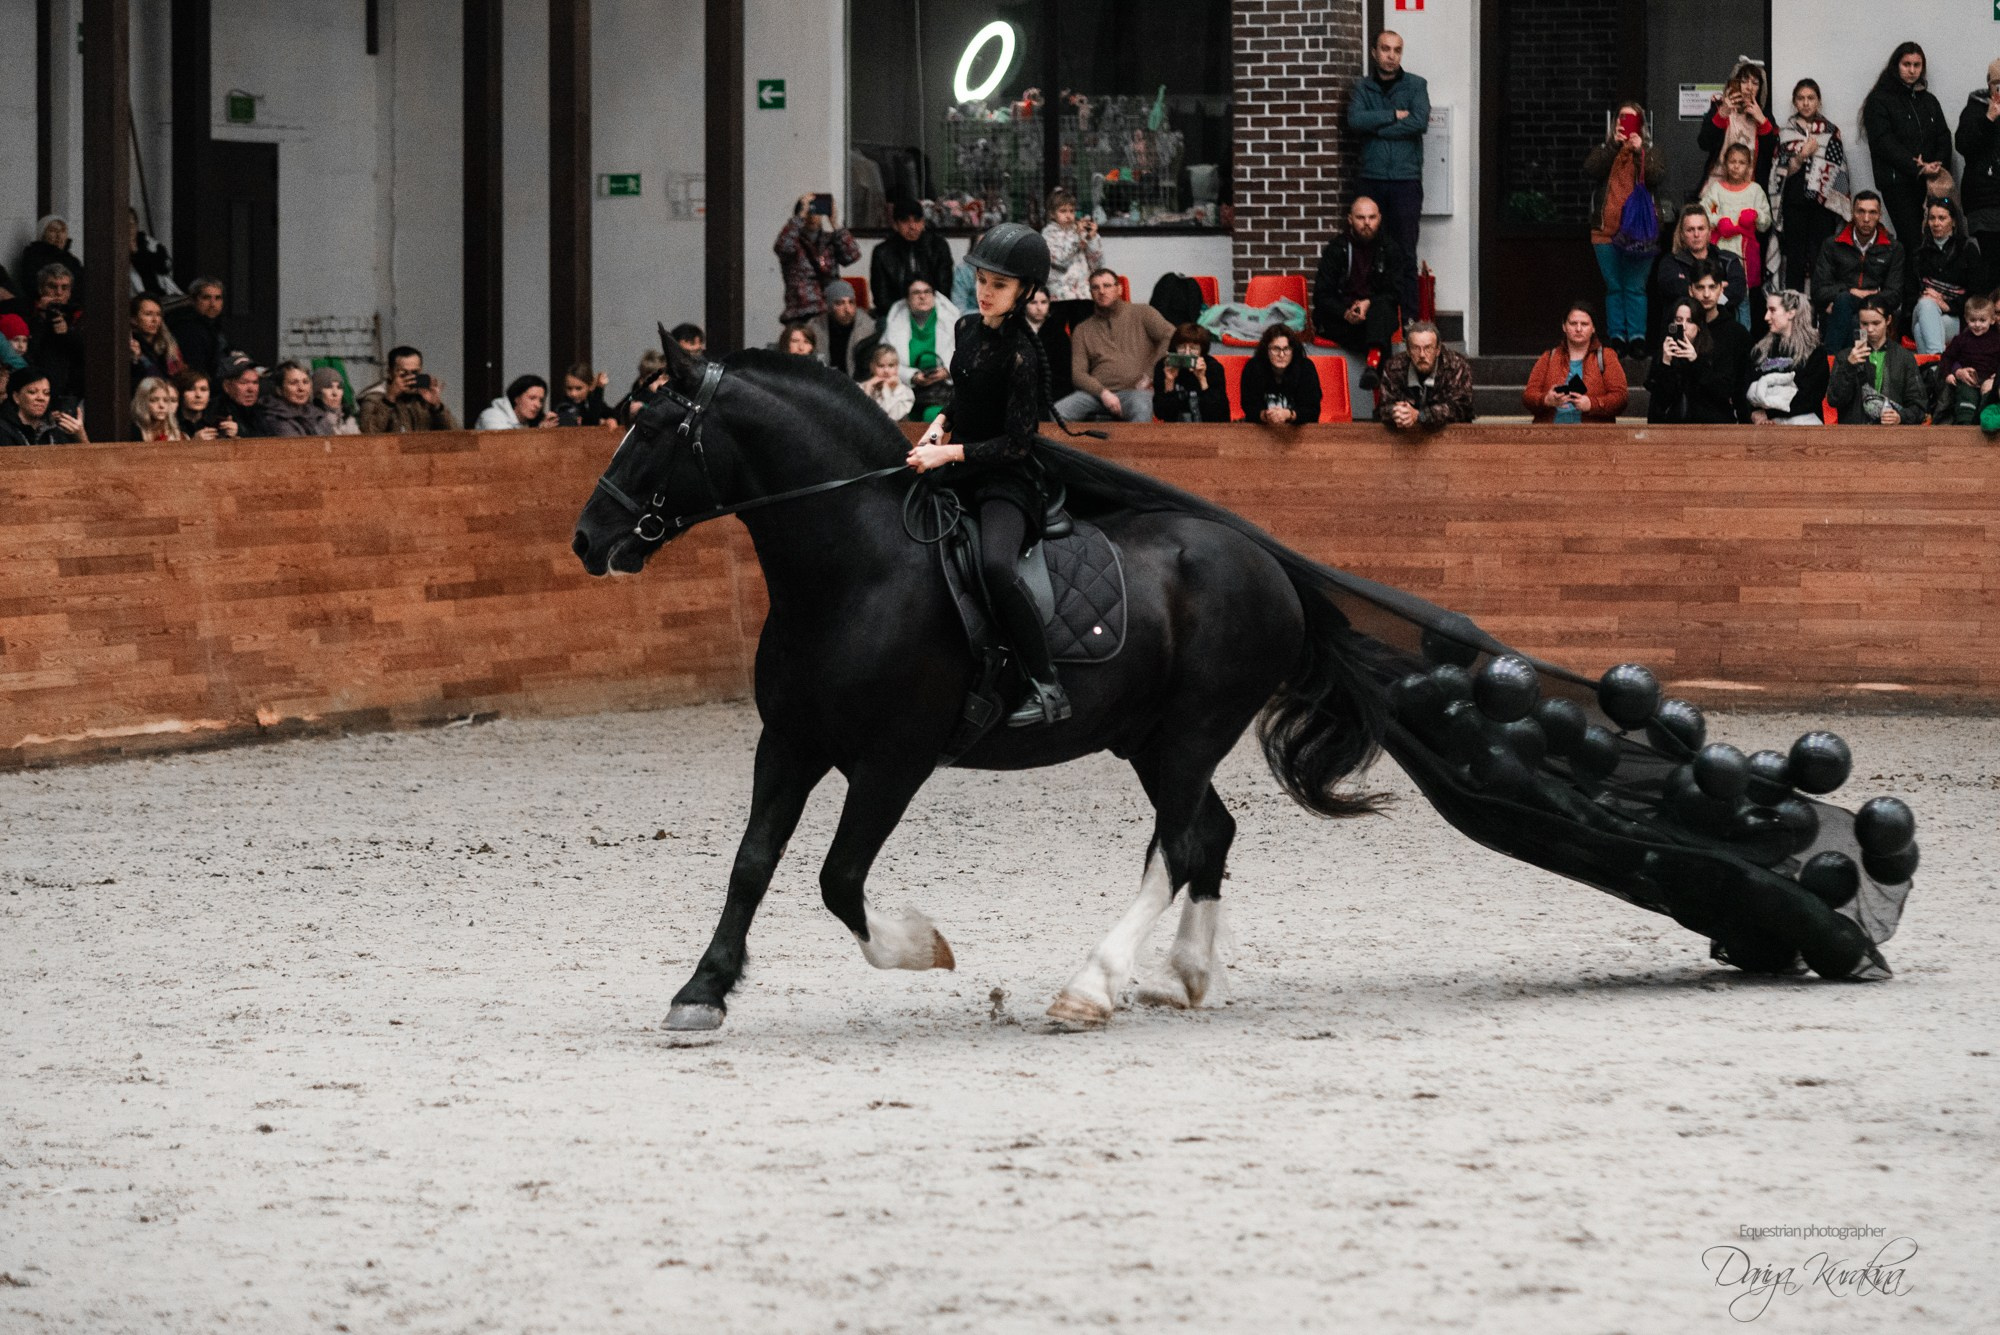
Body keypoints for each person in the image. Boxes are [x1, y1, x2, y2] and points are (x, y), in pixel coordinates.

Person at [906, 223, 1074, 727]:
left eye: (998, 286)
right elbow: (964, 396)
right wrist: (938, 425)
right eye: (981, 280)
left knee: (998, 567)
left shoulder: (1022, 354)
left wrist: (948, 454)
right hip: (958, 462)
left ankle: (1046, 685)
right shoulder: (965, 329)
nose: (985, 292)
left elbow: (1017, 443)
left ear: (1024, 292)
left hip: (1007, 479)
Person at [1347, 28, 1429, 315]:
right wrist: (1393, 115)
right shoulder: (1362, 88)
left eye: (1396, 50)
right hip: (1372, 178)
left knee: (1405, 251)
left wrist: (1377, 130)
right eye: (1385, 49)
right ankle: (1372, 312)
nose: (1391, 56)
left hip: (1405, 180)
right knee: (1367, 248)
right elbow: (1356, 121)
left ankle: (1408, 319)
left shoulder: (1416, 86)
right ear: (1374, 52)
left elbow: (1419, 122)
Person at [1586, 102, 1670, 357]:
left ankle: (1637, 337)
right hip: (1605, 232)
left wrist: (1640, 149)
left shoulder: (1649, 149)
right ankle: (1617, 337)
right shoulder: (1607, 148)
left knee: (1634, 286)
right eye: (1622, 118)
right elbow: (1591, 169)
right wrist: (1613, 145)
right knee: (1614, 286)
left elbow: (1657, 175)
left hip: (1639, 233)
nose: (1625, 123)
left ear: (1642, 125)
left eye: (1632, 119)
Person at [1309, 195, 1404, 409]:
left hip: (1374, 316)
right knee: (1381, 337)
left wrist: (1368, 303)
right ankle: (1381, 396)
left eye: (1371, 217)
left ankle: (1373, 370)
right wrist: (1345, 312)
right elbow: (1322, 296)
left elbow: (1396, 292)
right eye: (1361, 218)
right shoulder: (1337, 249)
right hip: (1340, 320)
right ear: (1350, 219)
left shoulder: (1390, 249)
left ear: (1379, 218)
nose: (1367, 223)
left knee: (1382, 310)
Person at [1862, 43, 1953, 255]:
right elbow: (1884, 143)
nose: (1912, 70)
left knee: (1934, 239)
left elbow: (1943, 135)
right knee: (1912, 240)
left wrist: (1938, 163)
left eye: (1917, 65)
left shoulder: (1929, 100)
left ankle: (1931, 288)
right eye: (1907, 64)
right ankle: (1911, 288)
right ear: (1896, 66)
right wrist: (1917, 166)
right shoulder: (1880, 100)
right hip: (1897, 182)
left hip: (1931, 182)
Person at [1056, 268, 1175, 423]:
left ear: (1119, 289)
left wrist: (1150, 374)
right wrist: (1103, 393)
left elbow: (1171, 335)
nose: (1102, 291)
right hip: (1097, 394)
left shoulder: (1143, 313)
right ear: (1090, 292)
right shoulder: (1082, 329)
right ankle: (1071, 448)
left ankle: (1136, 449)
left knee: (1141, 408)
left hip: (1135, 392)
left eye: (1107, 286)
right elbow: (1078, 374)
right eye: (1095, 287)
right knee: (1059, 411)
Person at [1770, 79, 1853, 295]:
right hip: (1794, 203)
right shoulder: (1785, 132)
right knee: (1794, 258)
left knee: (1821, 258)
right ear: (1794, 102)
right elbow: (1777, 174)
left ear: (1818, 101)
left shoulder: (1831, 131)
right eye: (1801, 98)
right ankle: (1794, 312)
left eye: (1811, 98)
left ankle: (1819, 311)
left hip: (1822, 205)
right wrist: (1801, 156)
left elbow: (1839, 170)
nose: (1806, 103)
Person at [1811, 191, 1907, 352]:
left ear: (1879, 215)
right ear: (1852, 213)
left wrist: (1864, 299)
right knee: (1845, 305)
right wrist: (1850, 292)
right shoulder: (1832, 245)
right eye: (1861, 211)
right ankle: (1853, 369)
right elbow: (1819, 291)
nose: (1866, 219)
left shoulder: (1893, 248)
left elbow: (1894, 295)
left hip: (1875, 311)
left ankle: (1831, 364)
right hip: (1839, 309)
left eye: (1872, 212)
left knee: (1855, 318)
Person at [1650, 207, 1747, 343]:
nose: (1696, 234)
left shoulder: (1727, 259)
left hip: (1719, 332)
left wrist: (1713, 300)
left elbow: (1738, 288)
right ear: (1682, 234)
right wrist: (1713, 292)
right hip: (1680, 336)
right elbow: (1672, 287)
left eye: (1701, 229)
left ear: (1709, 232)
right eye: (1690, 230)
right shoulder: (1670, 262)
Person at [1523, 303, 1628, 423]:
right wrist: (1546, 400)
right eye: (1573, 323)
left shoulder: (1606, 356)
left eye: (1584, 324)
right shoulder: (1549, 357)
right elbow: (1528, 396)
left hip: (1592, 437)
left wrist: (1591, 404)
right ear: (1564, 327)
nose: (1578, 329)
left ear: (1593, 328)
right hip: (1551, 435)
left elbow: (1621, 398)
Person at [1827, 296, 1926, 424]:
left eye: (1876, 323)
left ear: (1888, 320)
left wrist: (1900, 417)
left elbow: (1919, 406)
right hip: (1855, 436)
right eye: (1864, 324)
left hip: (1891, 436)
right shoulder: (1845, 357)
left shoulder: (1904, 357)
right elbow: (1834, 400)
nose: (1870, 329)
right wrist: (1849, 366)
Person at [881, 276, 963, 423]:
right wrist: (912, 376)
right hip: (904, 388)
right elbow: (883, 362)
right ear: (907, 299)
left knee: (933, 416)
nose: (922, 296)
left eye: (927, 291)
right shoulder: (895, 322)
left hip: (942, 392)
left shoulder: (952, 320)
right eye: (916, 293)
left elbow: (965, 357)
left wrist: (946, 371)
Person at [1745, 289, 1830, 426]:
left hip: (1803, 429)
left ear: (1791, 313)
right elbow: (1747, 387)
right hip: (1764, 428)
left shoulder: (1814, 351)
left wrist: (1769, 412)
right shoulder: (1760, 351)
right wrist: (1754, 412)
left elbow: (1810, 396)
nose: (1766, 317)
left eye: (1772, 310)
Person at [1909, 197, 1982, 355]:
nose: (1936, 223)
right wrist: (1927, 298)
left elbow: (1977, 295)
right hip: (1921, 309)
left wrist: (1947, 305)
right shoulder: (1919, 252)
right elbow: (1909, 293)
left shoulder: (1967, 249)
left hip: (1955, 316)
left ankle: (1934, 370)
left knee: (1921, 330)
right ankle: (1940, 362)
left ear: (1954, 222)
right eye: (1932, 218)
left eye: (1942, 218)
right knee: (1927, 305)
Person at [774, 193, 859, 324]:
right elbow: (782, 247)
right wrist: (799, 217)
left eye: (818, 212)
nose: (813, 216)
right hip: (802, 310)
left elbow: (852, 255)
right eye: (809, 211)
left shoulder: (830, 239)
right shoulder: (793, 241)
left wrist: (835, 224)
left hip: (831, 307)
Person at [1699, 144, 1773, 296]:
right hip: (1720, 248)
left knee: (1742, 293)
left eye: (1741, 162)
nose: (1736, 166)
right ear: (1725, 163)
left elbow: (1766, 221)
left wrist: (1756, 216)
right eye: (1732, 162)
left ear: (1748, 166)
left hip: (1745, 250)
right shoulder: (1717, 190)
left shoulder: (1755, 191)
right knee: (1719, 290)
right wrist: (1718, 221)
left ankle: (1742, 321)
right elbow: (1705, 212)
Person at [1954, 60, 2000, 291]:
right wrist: (1988, 119)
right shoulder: (1975, 109)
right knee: (1992, 265)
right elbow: (1963, 145)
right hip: (1984, 200)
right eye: (1998, 85)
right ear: (1990, 86)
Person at [1379, 320, 1474, 431]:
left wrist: (1420, 416)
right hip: (1405, 435)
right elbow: (1383, 407)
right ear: (1408, 351)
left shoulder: (1457, 366)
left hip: (1450, 434)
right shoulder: (1394, 367)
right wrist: (1396, 412)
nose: (1422, 355)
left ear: (1438, 350)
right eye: (1416, 348)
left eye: (1428, 348)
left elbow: (1461, 408)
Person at [868, 198, 953, 321]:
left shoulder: (938, 246)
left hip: (934, 311)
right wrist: (908, 312)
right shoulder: (882, 252)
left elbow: (944, 290)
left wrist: (924, 309)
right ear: (895, 225)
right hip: (895, 314)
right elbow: (881, 299)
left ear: (923, 222)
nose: (912, 226)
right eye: (905, 221)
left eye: (917, 220)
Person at [1697, 59, 1776, 187]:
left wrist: (1762, 121)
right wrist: (1721, 114)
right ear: (1735, 82)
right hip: (1717, 186)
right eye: (1744, 81)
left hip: (1749, 189)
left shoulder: (1765, 117)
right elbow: (1704, 143)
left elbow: (1772, 155)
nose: (1749, 88)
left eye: (1755, 83)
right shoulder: (1719, 108)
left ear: (1760, 88)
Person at [1040, 188, 1103, 334]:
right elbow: (1060, 260)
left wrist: (1092, 238)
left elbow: (1097, 264)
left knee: (1082, 336)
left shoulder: (1080, 231)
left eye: (1071, 211)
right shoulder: (1048, 234)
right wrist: (1077, 237)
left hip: (1082, 293)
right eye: (1063, 211)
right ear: (1052, 214)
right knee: (1056, 337)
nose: (1068, 215)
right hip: (1059, 295)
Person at [356, 345, 458, 433]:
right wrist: (389, 399)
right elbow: (368, 434)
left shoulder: (423, 397)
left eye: (415, 372)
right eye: (403, 373)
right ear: (390, 373)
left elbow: (455, 433)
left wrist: (437, 406)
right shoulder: (374, 398)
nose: (410, 378)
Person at [1934, 291, 2000, 423]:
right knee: (1966, 400)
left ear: (1992, 320)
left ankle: (1983, 424)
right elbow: (1947, 357)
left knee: (1989, 399)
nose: (1977, 324)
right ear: (1966, 319)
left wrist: (1996, 378)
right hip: (1968, 380)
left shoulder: (1997, 340)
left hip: (1990, 380)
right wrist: (1951, 373)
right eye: (1973, 320)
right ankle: (1965, 426)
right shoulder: (1961, 339)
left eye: (1982, 320)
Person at [1238, 325, 1320, 425]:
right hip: (1261, 430)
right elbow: (1249, 407)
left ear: (1293, 351)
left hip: (1298, 432)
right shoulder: (1253, 367)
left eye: (1286, 349)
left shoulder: (1306, 368)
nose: (1281, 355)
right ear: (1266, 350)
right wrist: (1265, 415)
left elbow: (1312, 411)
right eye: (1276, 349)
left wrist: (1289, 415)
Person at [1150, 323, 1228, 424]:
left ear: (1202, 350)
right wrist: (1169, 381)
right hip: (1175, 430)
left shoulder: (1213, 367)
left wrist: (1202, 379)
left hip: (1208, 429)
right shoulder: (1164, 366)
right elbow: (1162, 414)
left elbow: (1220, 414)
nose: (1187, 353)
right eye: (1182, 347)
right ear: (1175, 348)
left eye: (1193, 348)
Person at [27, 265, 84, 398]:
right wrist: (40, 317)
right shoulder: (28, 312)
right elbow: (26, 348)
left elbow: (86, 351)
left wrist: (68, 333)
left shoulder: (79, 315)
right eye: (52, 287)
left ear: (70, 292)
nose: (58, 293)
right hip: (36, 386)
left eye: (64, 288)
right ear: (41, 289)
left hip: (71, 390)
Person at [807, 279, 877, 379]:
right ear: (830, 306)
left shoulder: (867, 327)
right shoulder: (815, 327)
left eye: (851, 302)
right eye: (840, 303)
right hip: (824, 385)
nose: (847, 309)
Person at [166, 278, 232, 382]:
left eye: (218, 298)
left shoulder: (214, 324)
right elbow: (196, 370)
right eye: (206, 298)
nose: (213, 304)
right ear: (193, 300)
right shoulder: (186, 328)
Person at [0, 367, 86, 446]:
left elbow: (88, 461)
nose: (41, 398)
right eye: (32, 392)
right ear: (16, 397)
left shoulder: (54, 429)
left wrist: (80, 436)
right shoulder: (4, 429)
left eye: (46, 393)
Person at [1022, 287, 1073, 400]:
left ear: (1049, 304)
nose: (1039, 308)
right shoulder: (1014, 329)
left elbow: (1064, 373)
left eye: (1044, 302)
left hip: (1050, 394)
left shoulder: (1058, 333)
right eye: (1033, 302)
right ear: (1024, 304)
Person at [257, 360, 328, 437]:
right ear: (279, 390)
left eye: (305, 382)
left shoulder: (317, 415)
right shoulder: (274, 419)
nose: (301, 388)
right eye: (293, 383)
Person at [18, 216, 82, 296]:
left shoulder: (72, 261)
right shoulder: (33, 257)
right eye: (53, 231)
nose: (59, 236)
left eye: (63, 231)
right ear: (42, 234)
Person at [129, 294, 185, 383]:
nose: (155, 320)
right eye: (148, 314)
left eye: (158, 314)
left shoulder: (167, 346)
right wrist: (136, 359)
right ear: (133, 319)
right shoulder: (131, 346)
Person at [474, 374, 558, 430]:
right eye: (532, 398)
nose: (538, 405)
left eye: (541, 400)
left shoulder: (532, 421)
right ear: (516, 398)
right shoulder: (492, 415)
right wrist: (538, 433)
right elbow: (507, 446)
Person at [172, 368, 233, 439]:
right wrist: (193, 443)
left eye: (203, 389)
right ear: (180, 393)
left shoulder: (217, 422)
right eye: (191, 389)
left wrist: (233, 437)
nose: (198, 395)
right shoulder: (171, 422)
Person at [860, 344, 915, 420]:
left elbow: (887, 418)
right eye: (881, 366)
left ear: (897, 367)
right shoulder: (862, 388)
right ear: (872, 367)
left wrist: (886, 390)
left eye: (891, 365)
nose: (886, 371)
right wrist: (867, 390)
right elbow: (859, 416)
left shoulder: (906, 394)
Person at [130, 375, 183, 442]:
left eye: (166, 400)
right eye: (154, 400)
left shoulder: (176, 435)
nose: (161, 406)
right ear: (142, 402)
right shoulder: (130, 432)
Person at [313, 367, 360, 434]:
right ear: (317, 392)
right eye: (329, 387)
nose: (335, 393)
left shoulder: (349, 419)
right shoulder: (312, 421)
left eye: (339, 387)